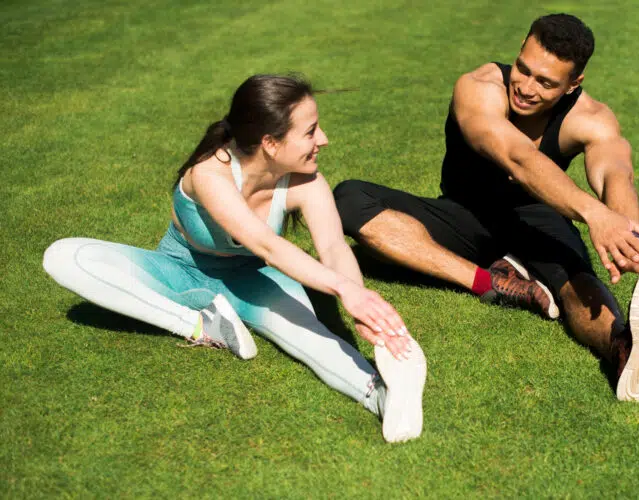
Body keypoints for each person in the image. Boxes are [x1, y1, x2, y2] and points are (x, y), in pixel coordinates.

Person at [43, 74, 427, 443]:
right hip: (176, 271)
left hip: (251, 283)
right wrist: (344, 289)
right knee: (64, 256)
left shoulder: (308, 183)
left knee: (309, 338)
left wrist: (360, 306)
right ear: (270, 143)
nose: (322, 140)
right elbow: (267, 246)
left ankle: (382, 395)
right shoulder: (211, 172)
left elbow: (333, 248)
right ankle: (203, 325)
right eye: (310, 132)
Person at [334, 14, 639, 401]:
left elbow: (616, 172)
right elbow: (516, 156)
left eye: (546, 82)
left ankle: (624, 351)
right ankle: (494, 283)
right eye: (523, 69)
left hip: (535, 218)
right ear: (519, 51)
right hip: (461, 216)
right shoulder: (478, 87)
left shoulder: (591, 118)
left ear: (573, 84)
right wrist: (595, 215)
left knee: (579, 285)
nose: (526, 88)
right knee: (349, 198)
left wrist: (626, 229)